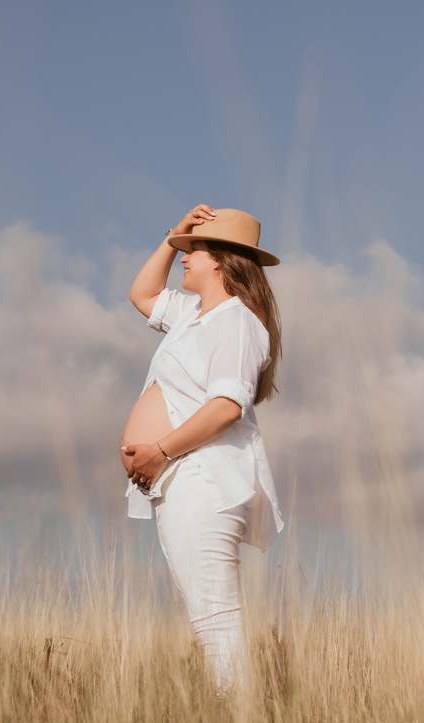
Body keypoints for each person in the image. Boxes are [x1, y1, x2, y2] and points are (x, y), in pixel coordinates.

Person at [121, 204, 285, 689]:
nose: (183, 257)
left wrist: (161, 451)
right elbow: (142, 293)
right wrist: (176, 232)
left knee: (216, 621)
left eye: (193, 251)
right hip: (181, 481)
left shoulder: (236, 322)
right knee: (208, 619)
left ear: (222, 260)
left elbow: (226, 406)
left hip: (203, 479)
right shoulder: (195, 314)